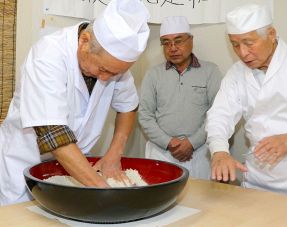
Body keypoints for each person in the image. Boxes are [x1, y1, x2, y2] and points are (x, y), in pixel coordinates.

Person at [0, 0, 150, 206]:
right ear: (84, 41)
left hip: (78, 164)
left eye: (116, 73)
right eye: (103, 70)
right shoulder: (48, 55)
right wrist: (105, 193)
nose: (106, 78)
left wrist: (115, 153)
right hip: (26, 162)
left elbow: (128, 106)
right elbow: (53, 133)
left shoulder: (112, 65)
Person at [206, 4, 287, 199]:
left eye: (249, 43)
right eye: (234, 44)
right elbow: (219, 115)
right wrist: (219, 151)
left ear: (271, 34)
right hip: (257, 181)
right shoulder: (236, 73)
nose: (242, 53)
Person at [139, 16, 222, 179]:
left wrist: (192, 143)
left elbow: (217, 114)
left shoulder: (210, 71)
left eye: (178, 41)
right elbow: (145, 116)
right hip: (161, 152)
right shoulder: (153, 74)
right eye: (166, 43)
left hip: (200, 153)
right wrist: (170, 142)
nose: (173, 48)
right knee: (161, 200)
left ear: (191, 40)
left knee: (199, 202)